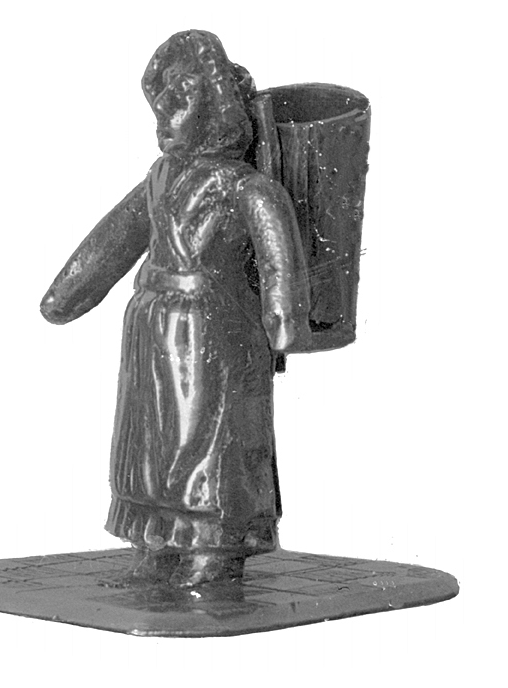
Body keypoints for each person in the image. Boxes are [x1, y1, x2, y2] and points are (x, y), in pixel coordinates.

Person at [40, 30, 309, 586]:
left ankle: (217, 547)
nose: (163, 121)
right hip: (154, 328)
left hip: (216, 327)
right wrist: (68, 292)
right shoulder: (160, 177)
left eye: (177, 107)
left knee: (211, 441)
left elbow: (278, 252)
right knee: (151, 445)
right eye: (158, 110)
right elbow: (115, 237)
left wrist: (283, 319)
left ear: (213, 110)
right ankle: (159, 542)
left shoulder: (243, 186)